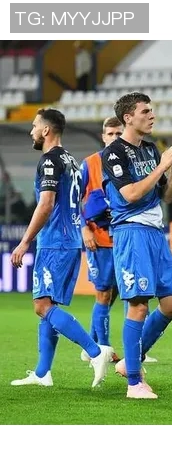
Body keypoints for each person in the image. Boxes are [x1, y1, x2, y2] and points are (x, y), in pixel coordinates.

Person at [11, 108, 113, 388]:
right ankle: (42, 373)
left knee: (41, 306)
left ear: (46, 130)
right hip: (70, 241)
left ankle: (96, 352)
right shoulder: (71, 160)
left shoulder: (49, 160)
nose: (32, 131)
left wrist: (25, 241)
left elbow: (46, 204)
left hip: (55, 242)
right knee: (49, 305)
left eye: (35, 126)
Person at [102, 92, 172, 399]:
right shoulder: (113, 153)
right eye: (145, 111)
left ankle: (130, 362)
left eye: (152, 111)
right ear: (128, 118)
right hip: (131, 231)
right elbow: (131, 194)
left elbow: (167, 196)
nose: (152, 116)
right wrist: (162, 165)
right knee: (138, 306)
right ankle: (134, 383)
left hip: (155, 232)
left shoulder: (151, 150)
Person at [78, 116, 123, 363]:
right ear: (103, 136)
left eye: (119, 134)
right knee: (104, 294)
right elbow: (73, 200)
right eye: (110, 134)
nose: (115, 138)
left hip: (124, 239)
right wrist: (84, 229)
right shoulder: (90, 164)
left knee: (115, 294)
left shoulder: (129, 162)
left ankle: (90, 346)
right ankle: (103, 349)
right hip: (99, 240)